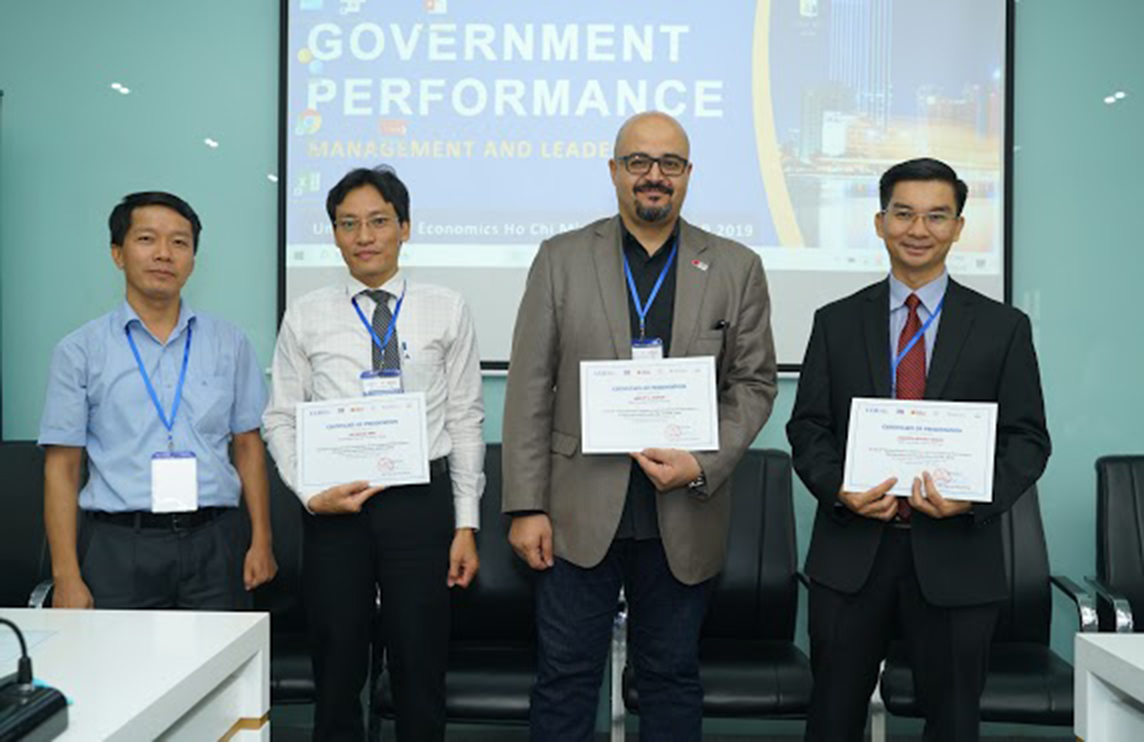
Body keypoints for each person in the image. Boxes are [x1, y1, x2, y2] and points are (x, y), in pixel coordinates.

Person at [502, 111, 778, 741]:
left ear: (688, 175)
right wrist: (525, 505)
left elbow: (755, 383)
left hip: (684, 508)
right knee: (567, 678)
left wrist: (703, 463)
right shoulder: (561, 258)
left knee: (671, 678)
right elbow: (528, 388)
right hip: (573, 512)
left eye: (670, 164)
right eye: (639, 162)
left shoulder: (735, 266)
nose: (654, 177)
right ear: (614, 171)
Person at [787, 157, 1051, 742]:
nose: (918, 229)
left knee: (954, 723)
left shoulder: (1003, 328)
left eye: (937, 216)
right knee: (831, 718)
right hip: (851, 555)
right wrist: (839, 490)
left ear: (959, 227)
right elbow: (808, 428)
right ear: (880, 222)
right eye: (903, 214)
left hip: (958, 560)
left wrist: (973, 497)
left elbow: (1028, 440)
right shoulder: (834, 322)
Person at [263, 166, 484, 741]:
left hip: (421, 505)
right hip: (338, 508)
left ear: (404, 228)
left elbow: (464, 419)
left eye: (379, 221)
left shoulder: (447, 307)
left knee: (419, 662)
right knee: (336, 665)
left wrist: (466, 523)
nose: (364, 235)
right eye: (348, 223)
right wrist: (311, 495)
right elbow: (280, 418)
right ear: (334, 234)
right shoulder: (306, 314)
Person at [39, 191, 276, 610]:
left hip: (216, 543)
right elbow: (63, 466)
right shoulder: (80, 351)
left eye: (179, 243)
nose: (164, 254)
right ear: (118, 253)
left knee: (223, 673)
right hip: (119, 545)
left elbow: (247, 445)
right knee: (123, 674)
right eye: (147, 239)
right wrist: (66, 575)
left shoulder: (230, 343)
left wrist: (262, 540)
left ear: (193, 261)